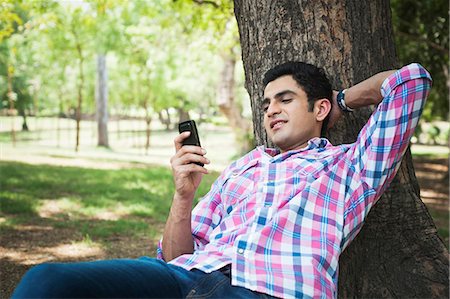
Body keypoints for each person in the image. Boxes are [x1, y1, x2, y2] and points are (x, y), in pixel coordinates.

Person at [12, 62, 431, 299]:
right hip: (188, 277)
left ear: (317, 108)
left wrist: (339, 102)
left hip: (272, 291)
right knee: (46, 282)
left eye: (285, 100)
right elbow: (175, 256)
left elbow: (411, 82)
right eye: (266, 103)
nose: (270, 111)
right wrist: (183, 197)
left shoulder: (350, 168)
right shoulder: (243, 167)